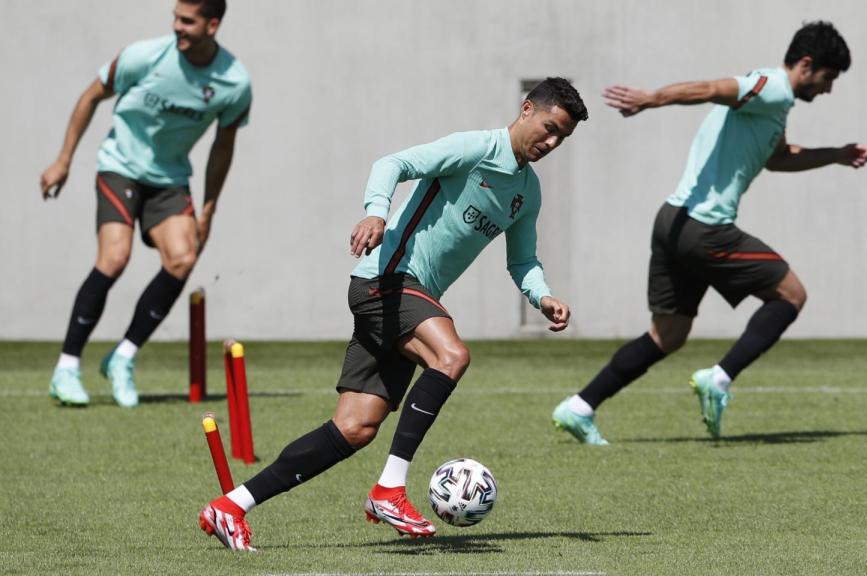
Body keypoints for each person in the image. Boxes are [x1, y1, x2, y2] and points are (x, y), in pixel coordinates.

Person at [199, 77, 588, 550]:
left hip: (407, 297)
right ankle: (389, 489)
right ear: (526, 109)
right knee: (452, 356)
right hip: (386, 280)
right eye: (548, 128)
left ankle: (231, 506)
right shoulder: (476, 148)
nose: (550, 142)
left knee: (355, 427)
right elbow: (394, 162)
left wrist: (542, 296)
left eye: (561, 138)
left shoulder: (527, 192)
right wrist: (376, 212)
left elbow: (522, 260)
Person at [553, 21, 867, 444]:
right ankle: (719, 379)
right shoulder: (772, 86)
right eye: (829, 78)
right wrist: (653, 98)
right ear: (808, 64)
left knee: (668, 334)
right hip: (705, 229)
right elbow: (712, 88)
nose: (829, 89)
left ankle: (579, 407)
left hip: (672, 221)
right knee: (791, 294)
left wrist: (837, 155)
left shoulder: (775, 104)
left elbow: (777, 158)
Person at [41, 0, 251, 408]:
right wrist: (63, 160)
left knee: (183, 258)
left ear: (212, 25)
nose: (177, 27)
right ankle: (66, 366)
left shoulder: (235, 82)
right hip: (119, 166)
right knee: (115, 257)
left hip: (170, 179)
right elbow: (90, 96)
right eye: (175, 18)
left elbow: (223, 146)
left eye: (187, 21)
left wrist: (208, 208)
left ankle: (122, 358)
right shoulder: (144, 56)